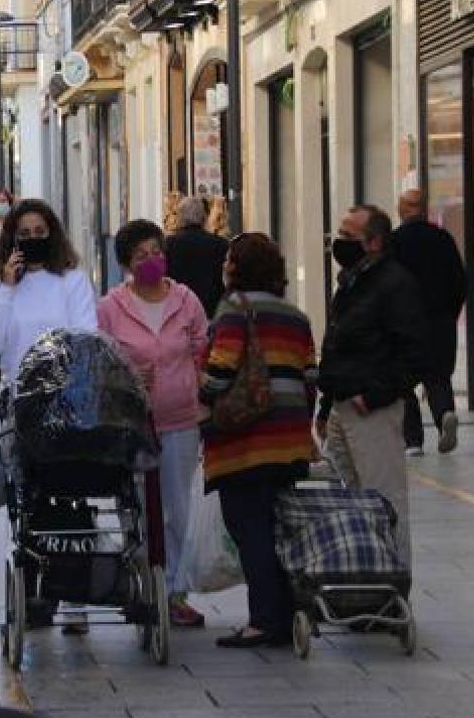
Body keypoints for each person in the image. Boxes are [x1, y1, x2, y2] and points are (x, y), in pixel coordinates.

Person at [201, 233, 318, 648]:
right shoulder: (295, 314)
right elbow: (309, 378)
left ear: (236, 267)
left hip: (246, 442)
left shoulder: (235, 309)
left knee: (250, 529)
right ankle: (285, 615)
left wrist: (200, 396)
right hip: (288, 440)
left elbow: (220, 371)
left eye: (229, 259)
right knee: (276, 528)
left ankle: (264, 620)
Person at [98, 219, 209, 628]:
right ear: (127, 262)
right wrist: (128, 375)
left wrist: (199, 393)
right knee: (140, 507)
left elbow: (201, 348)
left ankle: (176, 591)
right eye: (142, 255)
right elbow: (104, 361)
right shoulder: (110, 307)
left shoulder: (185, 299)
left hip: (181, 419)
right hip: (134, 424)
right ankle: (144, 584)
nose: (151, 261)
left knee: (179, 508)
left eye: (156, 252)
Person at [316, 205, 427, 567]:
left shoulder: (395, 283)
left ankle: (395, 584)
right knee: (353, 501)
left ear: (375, 242)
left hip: (372, 408)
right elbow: (338, 345)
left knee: (384, 500)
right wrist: (327, 404)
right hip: (343, 405)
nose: (340, 242)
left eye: (350, 236)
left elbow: (414, 353)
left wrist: (375, 395)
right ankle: (366, 580)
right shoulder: (352, 281)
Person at [0, 199, 98, 385]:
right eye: (24, 234)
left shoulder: (74, 280)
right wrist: (7, 289)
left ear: (51, 234)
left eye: (39, 232)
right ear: (13, 240)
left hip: (65, 391)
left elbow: (85, 336)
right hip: (18, 393)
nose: (33, 238)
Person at [392, 189, 467, 456]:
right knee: (437, 378)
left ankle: (413, 441)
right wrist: (449, 314)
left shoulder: (395, 242)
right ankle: (444, 413)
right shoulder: (443, 239)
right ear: (423, 209)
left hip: (406, 326)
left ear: (402, 209)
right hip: (440, 324)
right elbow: (460, 282)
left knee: (402, 383)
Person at [165, 195, 230, 320]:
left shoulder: (168, 245)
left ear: (180, 218)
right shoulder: (220, 244)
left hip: (178, 312)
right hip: (211, 311)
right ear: (204, 217)